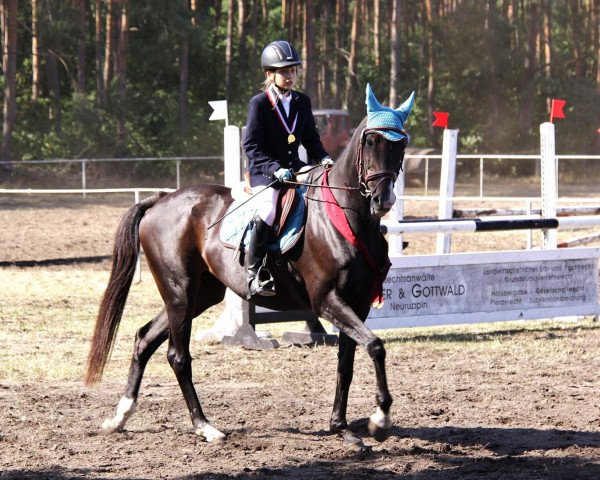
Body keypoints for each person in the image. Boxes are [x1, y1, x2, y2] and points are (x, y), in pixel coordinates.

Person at [243, 40, 333, 298]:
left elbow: (311, 140)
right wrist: (274, 168)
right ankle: (254, 273)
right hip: (266, 174)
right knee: (268, 210)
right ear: (269, 74)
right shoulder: (259, 103)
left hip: (296, 170)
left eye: (293, 70)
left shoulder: (302, 102)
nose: (290, 76)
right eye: (284, 71)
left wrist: (323, 158)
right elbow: (251, 145)